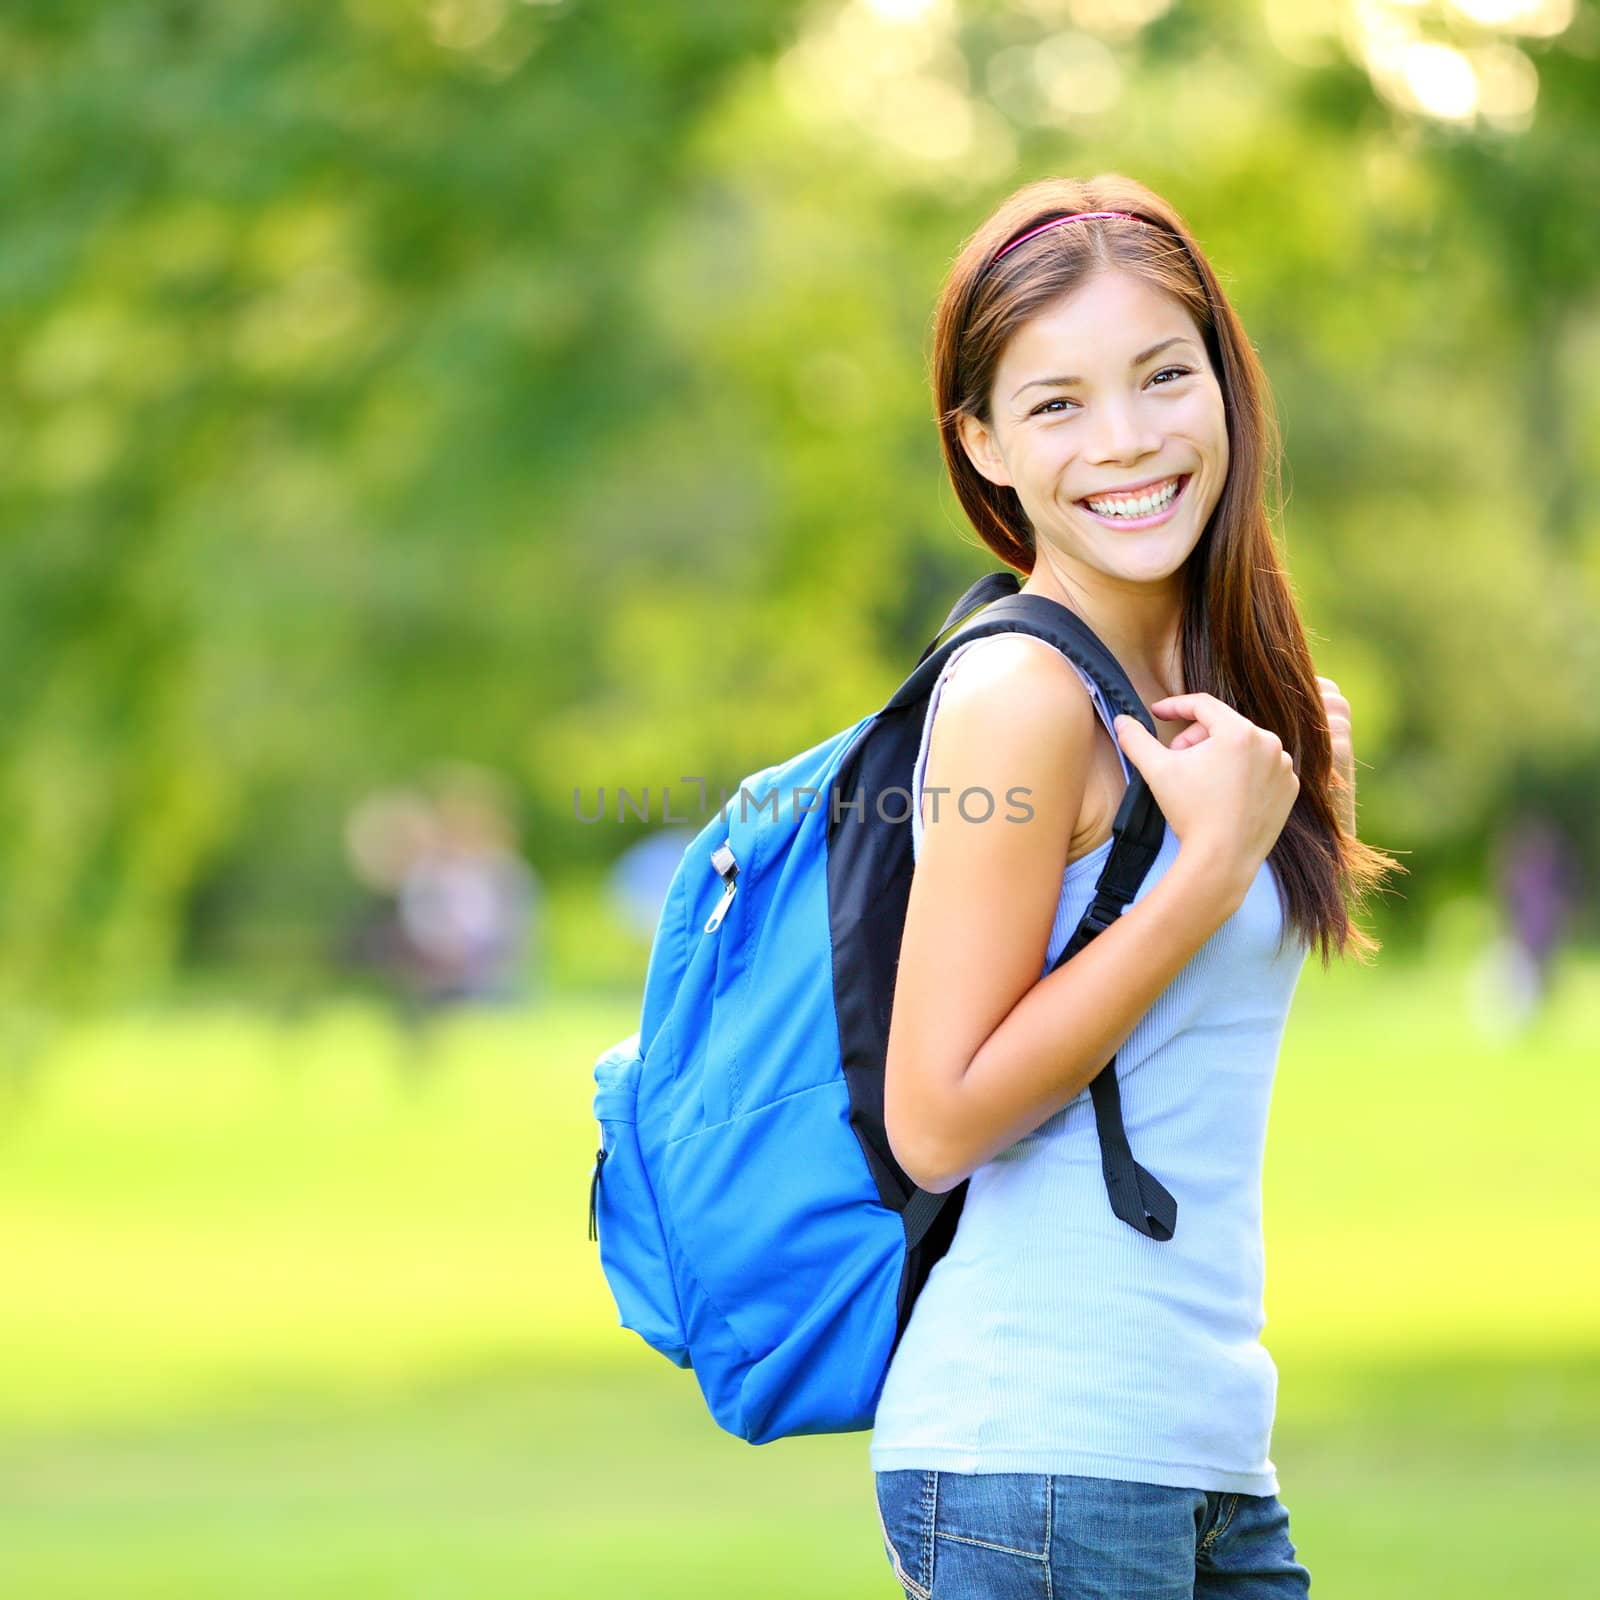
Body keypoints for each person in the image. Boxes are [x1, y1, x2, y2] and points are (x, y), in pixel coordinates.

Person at [871, 175, 1401, 1598]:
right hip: (1042, 1455)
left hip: (1202, 1450)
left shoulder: (1247, 717)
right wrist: (1205, 870)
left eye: (1165, 376)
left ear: (1225, 383)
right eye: (1055, 405)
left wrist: (1263, 814)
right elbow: (935, 1120)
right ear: (978, 444)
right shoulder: (1019, 698)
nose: (1127, 442)